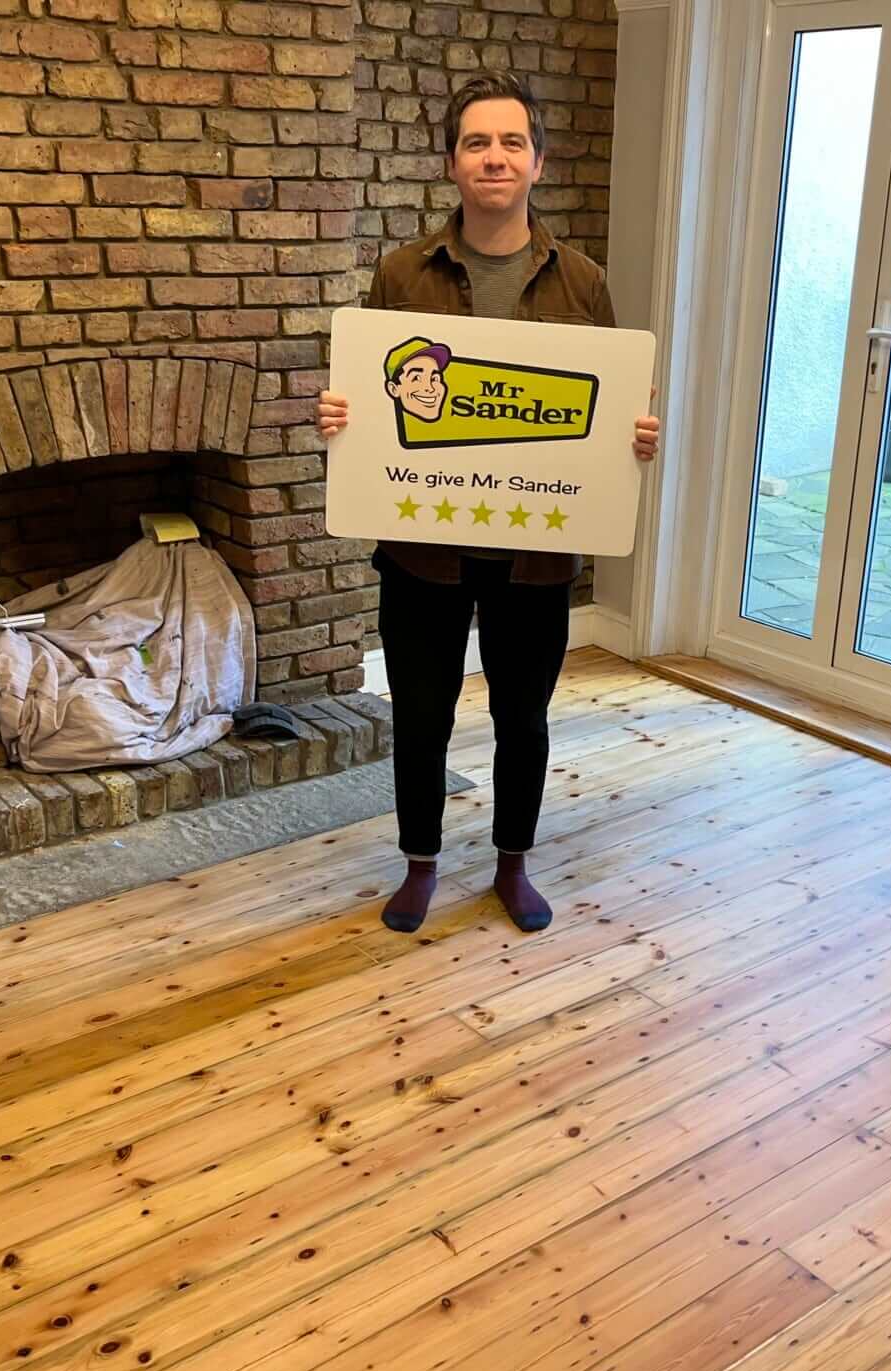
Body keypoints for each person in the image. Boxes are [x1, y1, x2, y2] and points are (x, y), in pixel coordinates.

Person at [318, 69, 662, 937]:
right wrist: (345, 416)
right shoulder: (401, 274)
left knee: (523, 719)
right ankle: (420, 864)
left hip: (535, 555)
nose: (495, 157)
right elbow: (380, 395)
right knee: (420, 717)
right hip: (421, 549)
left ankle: (513, 863)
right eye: (477, 142)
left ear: (538, 162)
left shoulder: (584, 283)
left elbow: (604, 408)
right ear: (452, 163)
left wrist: (631, 437)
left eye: (513, 142)